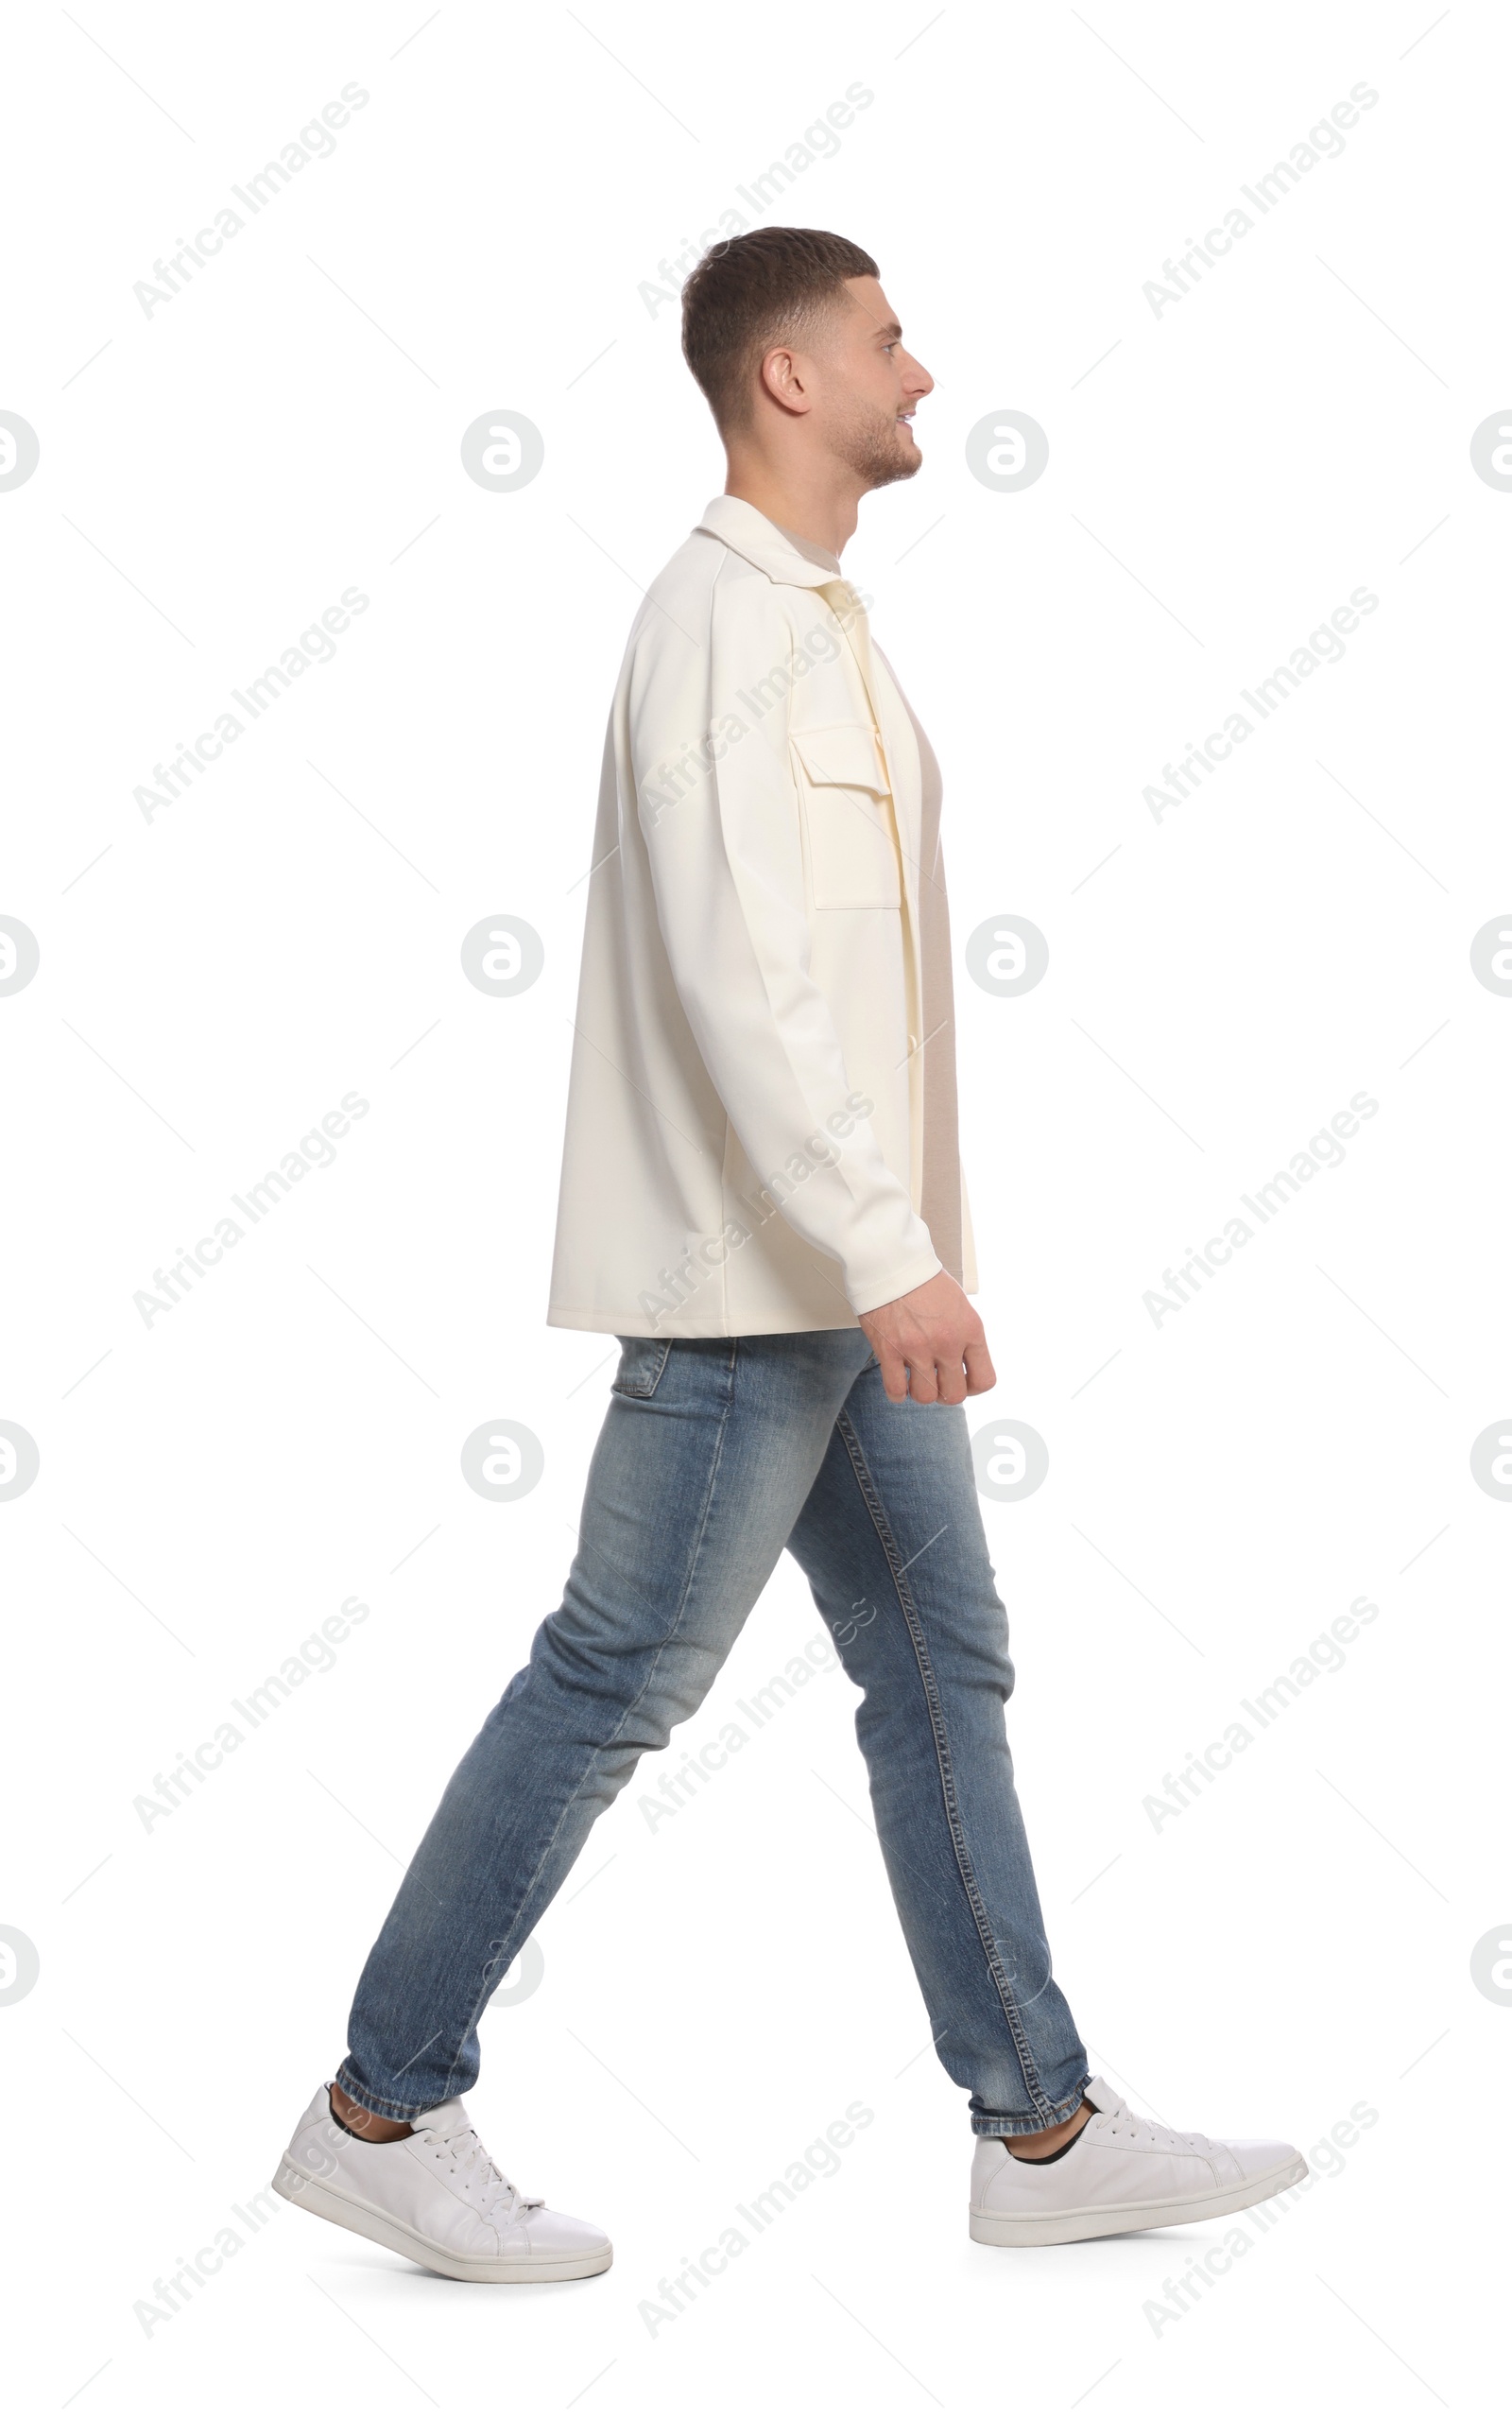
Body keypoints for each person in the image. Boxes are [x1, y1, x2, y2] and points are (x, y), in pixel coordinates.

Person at [273, 227, 1304, 2278]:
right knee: (617, 1671)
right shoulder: (719, 628)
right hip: (763, 1284)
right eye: (886, 340)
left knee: (939, 1658)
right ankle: (384, 2101)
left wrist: (888, 1250)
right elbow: (742, 979)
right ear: (786, 381)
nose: (921, 372)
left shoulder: (817, 625)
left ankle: (1037, 2127)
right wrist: (879, 1246)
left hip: (833, 1284)